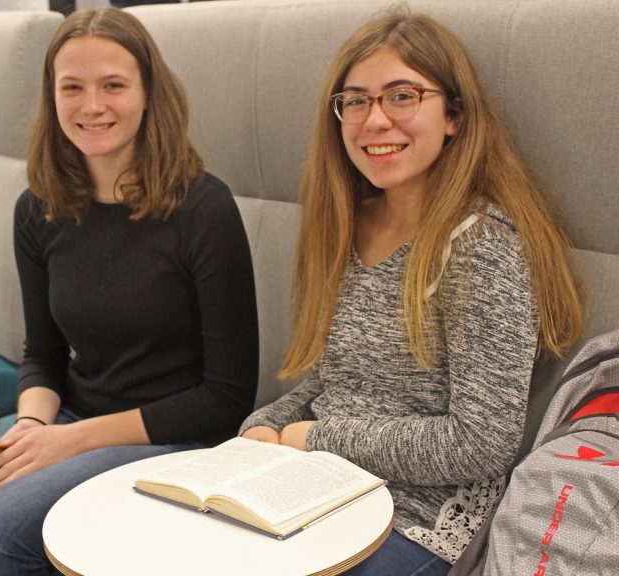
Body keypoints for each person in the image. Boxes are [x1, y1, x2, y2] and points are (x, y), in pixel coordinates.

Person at [0, 8, 259, 575]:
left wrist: (73, 442)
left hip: (177, 438)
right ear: (52, 96)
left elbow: (227, 397)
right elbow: (42, 354)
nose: (92, 106)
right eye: (73, 88)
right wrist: (34, 430)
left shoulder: (203, 208)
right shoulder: (37, 209)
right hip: (69, 422)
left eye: (113, 85)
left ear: (148, 94)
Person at [239, 9, 582, 576]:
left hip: (414, 522)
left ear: (452, 115)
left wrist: (317, 439)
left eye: (402, 96)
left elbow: (481, 443)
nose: (375, 120)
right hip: (311, 487)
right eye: (356, 100)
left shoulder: (481, 247)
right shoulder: (346, 224)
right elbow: (338, 384)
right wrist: (265, 423)